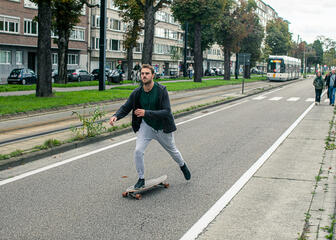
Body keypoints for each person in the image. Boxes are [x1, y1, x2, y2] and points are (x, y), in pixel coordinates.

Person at [109, 64, 191, 189]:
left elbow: (167, 111)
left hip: (162, 127)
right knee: (138, 151)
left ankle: (182, 165)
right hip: (146, 126)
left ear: (153, 75)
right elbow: (126, 107)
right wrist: (116, 116)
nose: (144, 76)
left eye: (147, 73)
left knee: (173, 151)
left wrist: (146, 112)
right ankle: (141, 178)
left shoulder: (161, 90)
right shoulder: (137, 93)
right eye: (142, 73)